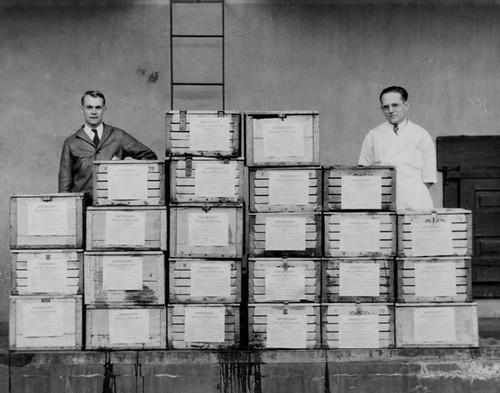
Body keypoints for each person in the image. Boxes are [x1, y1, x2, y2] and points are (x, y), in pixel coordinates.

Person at [58, 90, 158, 196]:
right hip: (82, 205)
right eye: (89, 107)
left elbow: (150, 157)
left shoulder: (118, 136)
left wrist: (126, 171)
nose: (94, 112)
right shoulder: (71, 143)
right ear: (81, 109)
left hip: (111, 203)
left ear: (104, 109)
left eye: (98, 107)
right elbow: (64, 187)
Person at [358, 86, 437, 211]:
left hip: (416, 202)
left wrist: (412, 194)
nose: (390, 110)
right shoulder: (373, 135)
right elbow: (363, 171)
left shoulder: (421, 135)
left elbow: (429, 175)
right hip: (382, 201)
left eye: (395, 105)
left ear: (406, 106)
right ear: (381, 109)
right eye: (386, 107)